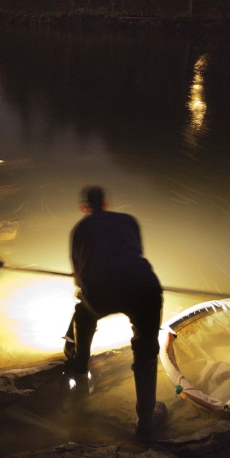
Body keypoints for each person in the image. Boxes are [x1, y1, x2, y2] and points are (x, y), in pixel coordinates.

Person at [64, 185, 167, 438]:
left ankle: (79, 364)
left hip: (100, 292)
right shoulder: (128, 220)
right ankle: (145, 423)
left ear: (83, 207)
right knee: (145, 352)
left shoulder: (79, 230)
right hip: (145, 287)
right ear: (106, 204)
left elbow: (79, 279)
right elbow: (135, 255)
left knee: (84, 312)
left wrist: (83, 286)